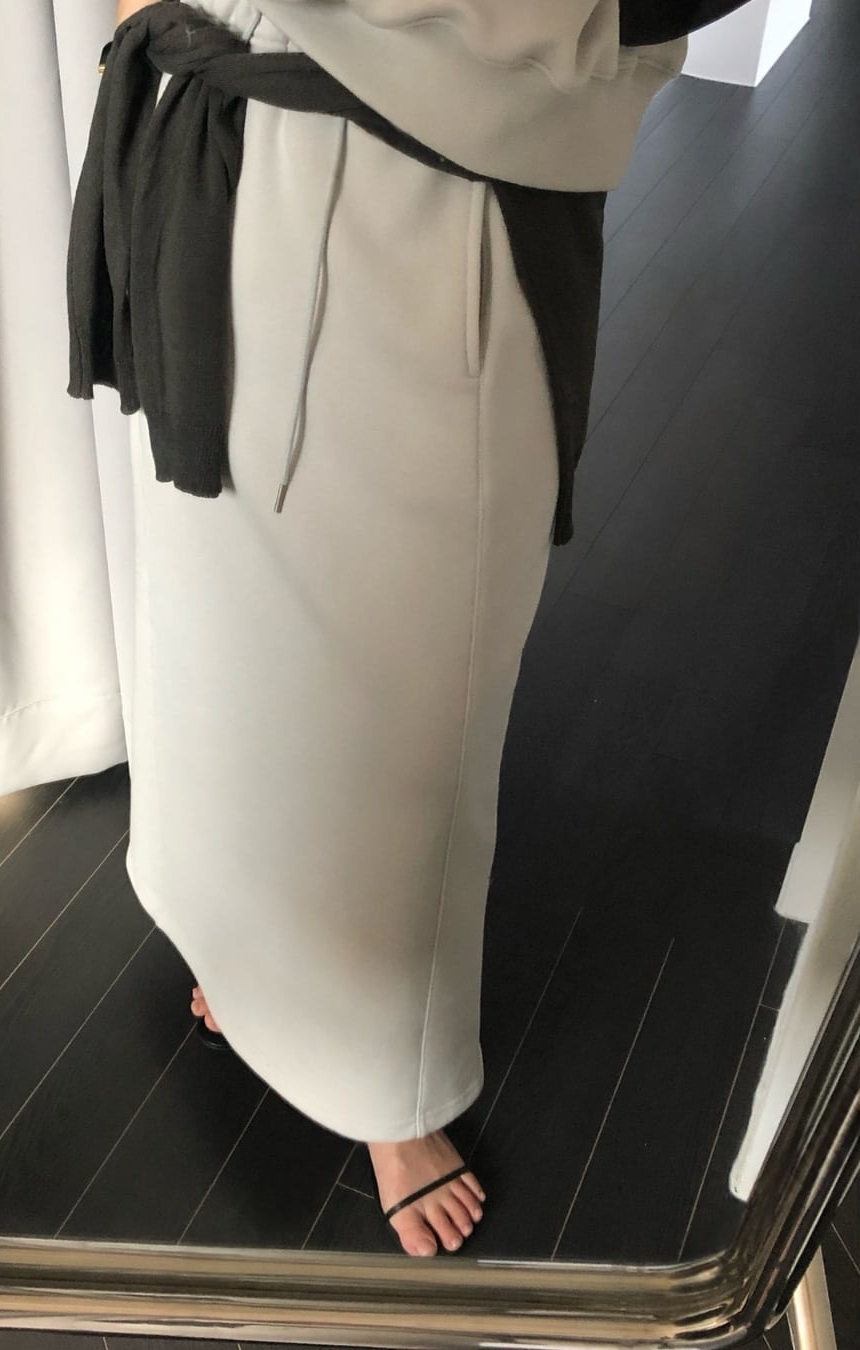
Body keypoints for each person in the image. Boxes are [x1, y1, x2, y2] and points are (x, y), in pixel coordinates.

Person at [75, 0, 726, 1260]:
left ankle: (380, 1077)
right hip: (223, 136)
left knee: (406, 683)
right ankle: (252, 961)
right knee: (219, 637)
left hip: (421, 183)